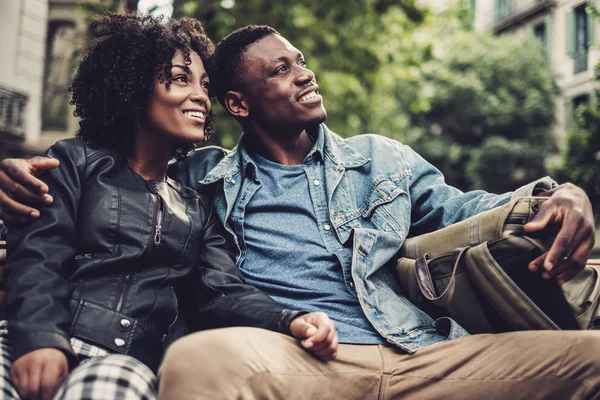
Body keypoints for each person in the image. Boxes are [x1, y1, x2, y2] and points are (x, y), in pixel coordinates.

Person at [0, 24, 598, 399]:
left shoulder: (381, 161)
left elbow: (465, 209)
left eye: (302, 60)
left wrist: (558, 195)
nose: (305, 74)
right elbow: (114, 176)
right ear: (239, 102)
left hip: (425, 354)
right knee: (198, 359)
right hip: (302, 359)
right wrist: (17, 176)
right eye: (280, 70)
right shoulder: (200, 178)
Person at [0, 18, 336, 400]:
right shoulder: (74, 163)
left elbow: (222, 291)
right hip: (29, 337)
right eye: (180, 79)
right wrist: (41, 338)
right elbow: (39, 257)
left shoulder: (197, 207)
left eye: (205, 85)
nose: (199, 96)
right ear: (135, 88)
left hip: (124, 362)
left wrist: (290, 319)